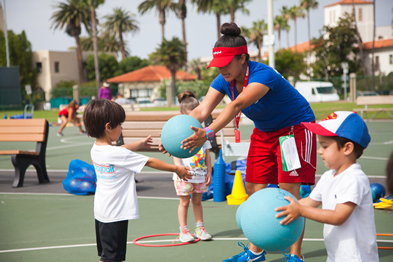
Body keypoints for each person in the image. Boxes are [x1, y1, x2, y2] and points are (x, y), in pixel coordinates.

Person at [178, 22, 316, 262]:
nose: (221, 69)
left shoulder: (263, 74)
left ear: (243, 58)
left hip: (294, 131)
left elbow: (237, 105)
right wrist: (172, 135)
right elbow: (200, 112)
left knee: (289, 192)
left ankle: (296, 256)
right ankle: (255, 253)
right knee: (254, 188)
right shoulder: (223, 79)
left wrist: (208, 133)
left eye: (226, 63)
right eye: (217, 65)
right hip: (265, 131)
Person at [83, 99, 192, 262]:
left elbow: (118, 150)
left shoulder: (96, 149)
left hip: (102, 212)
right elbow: (149, 161)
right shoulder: (116, 154)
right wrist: (177, 169)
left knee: (108, 256)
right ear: (108, 127)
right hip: (115, 214)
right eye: (120, 124)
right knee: (111, 258)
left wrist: (139, 144)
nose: (121, 127)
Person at [276, 111, 379, 262]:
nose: (319, 151)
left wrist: (300, 210)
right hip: (335, 255)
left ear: (347, 148)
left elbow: (339, 216)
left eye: (324, 146)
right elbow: (308, 202)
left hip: (357, 257)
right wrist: (276, 205)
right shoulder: (328, 176)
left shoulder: (354, 179)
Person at [173, 91, 213, 243]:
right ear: (181, 115)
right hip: (184, 175)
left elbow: (207, 153)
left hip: (200, 175)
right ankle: (184, 231)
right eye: (190, 118)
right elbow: (176, 151)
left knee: (197, 201)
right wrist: (178, 167)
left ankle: (200, 228)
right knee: (184, 202)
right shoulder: (179, 134)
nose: (194, 122)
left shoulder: (202, 133)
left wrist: (209, 170)